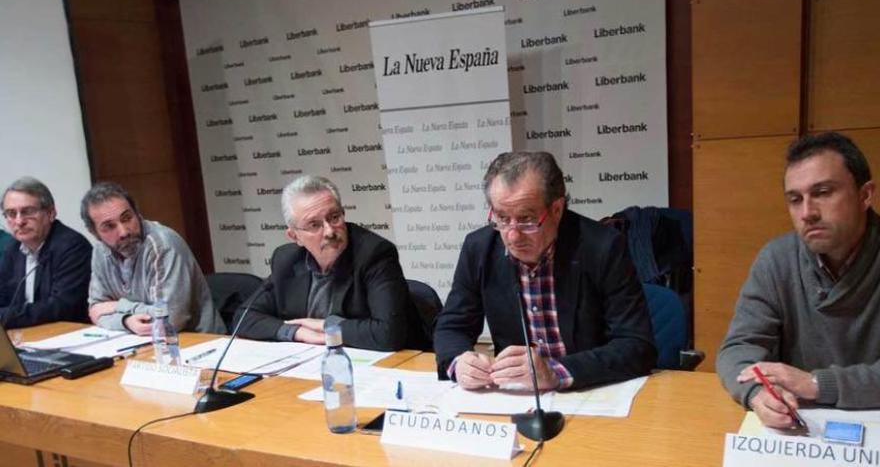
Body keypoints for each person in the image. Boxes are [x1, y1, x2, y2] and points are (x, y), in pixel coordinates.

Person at [434, 152, 656, 391]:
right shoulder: (479, 249)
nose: (512, 235)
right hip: (517, 397)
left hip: (591, 391)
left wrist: (554, 372)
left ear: (557, 209)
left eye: (526, 220)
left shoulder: (602, 247)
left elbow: (636, 345)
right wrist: (459, 362)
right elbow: (452, 327)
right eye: (502, 218)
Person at [717, 132, 880, 428]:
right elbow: (738, 348)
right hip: (800, 431)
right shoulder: (777, 259)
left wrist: (817, 384)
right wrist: (757, 393)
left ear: (865, 195)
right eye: (795, 199)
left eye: (823, 192)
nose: (807, 213)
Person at [236, 175, 408, 351]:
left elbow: (389, 333)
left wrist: (326, 326)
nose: (329, 231)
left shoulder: (374, 254)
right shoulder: (286, 260)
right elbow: (245, 317)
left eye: (334, 217)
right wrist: (296, 332)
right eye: (314, 225)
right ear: (295, 236)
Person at [82, 182, 224, 335]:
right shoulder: (100, 250)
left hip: (197, 343)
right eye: (109, 226)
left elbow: (169, 321)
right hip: (141, 342)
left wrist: (117, 307)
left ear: (137, 213)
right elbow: (96, 310)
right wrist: (126, 321)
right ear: (95, 233)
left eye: (127, 218)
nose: (123, 232)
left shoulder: (163, 246)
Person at [0, 177, 92, 328]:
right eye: (11, 213)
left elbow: (60, 307)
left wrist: (5, 317)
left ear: (50, 213)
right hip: (28, 337)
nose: (19, 221)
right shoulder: (13, 248)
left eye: (27, 211)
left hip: (67, 334)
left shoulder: (72, 246)